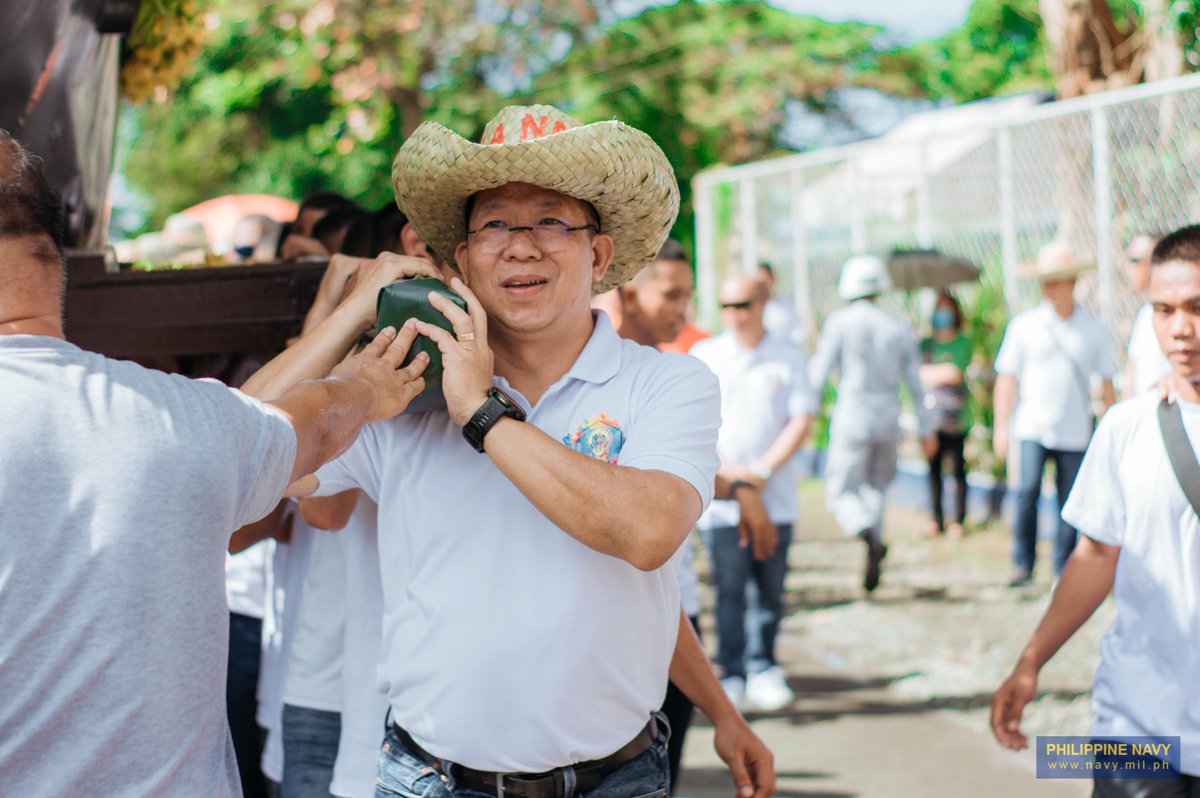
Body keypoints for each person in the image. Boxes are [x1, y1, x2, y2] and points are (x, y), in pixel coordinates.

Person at [243, 104, 775, 798]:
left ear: (599, 254)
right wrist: (351, 311)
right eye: (495, 225)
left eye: (551, 221)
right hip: (431, 779)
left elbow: (646, 540)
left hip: (616, 779)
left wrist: (482, 413)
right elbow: (239, 452)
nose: (522, 247)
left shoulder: (665, 383)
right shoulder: (405, 391)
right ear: (463, 259)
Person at [0, 130, 431, 795]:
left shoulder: (188, 420)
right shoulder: (176, 420)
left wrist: (349, 336)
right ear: (58, 259)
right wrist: (363, 379)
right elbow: (295, 426)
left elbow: (267, 422)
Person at [990, 224, 1200, 796]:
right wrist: (1030, 662)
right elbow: (1096, 554)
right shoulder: (1127, 428)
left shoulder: (1090, 330)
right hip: (1135, 730)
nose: (1180, 328)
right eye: (1163, 310)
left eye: (1197, 308)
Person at [615, 240, 775, 791]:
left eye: (687, 295)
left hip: (675, 609)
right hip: (620, 626)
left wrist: (740, 489)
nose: (682, 309)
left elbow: (688, 469)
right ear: (628, 292)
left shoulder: (676, 375)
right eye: (670, 294)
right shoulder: (586, 382)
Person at [691, 274, 816, 710]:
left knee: (769, 587)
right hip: (723, 496)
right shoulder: (706, 355)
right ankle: (731, 669)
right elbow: (695, 423)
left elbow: (801, 419)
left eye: (743, 305)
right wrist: (734, 476)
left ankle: (764, 664)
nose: (734, 315)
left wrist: (761, 471)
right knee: (728, 587)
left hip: (774, 495)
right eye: (727, 306)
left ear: (763, 304)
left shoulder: (788, 357)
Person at [993, 241, 1117, 587]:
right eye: (1044, 280)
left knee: (1070, 502)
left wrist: (1111, 431)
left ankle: (1063, 567)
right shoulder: (1025, 325)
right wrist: (1001, 426)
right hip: (1032, 426)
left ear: (1072, 282)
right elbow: (1007, 378)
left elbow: (1106, 383)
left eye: (1055, 279)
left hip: (1074, 430)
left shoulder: (1093, 328)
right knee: (1026, 492)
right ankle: (1023, 564)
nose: (1048, 287)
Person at [809, 254, 935, 592]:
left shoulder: (839, 322)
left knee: (841, 489)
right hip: (889, 416)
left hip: (853, 413)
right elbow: (916, 381)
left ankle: (865, 532)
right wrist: (926, 427)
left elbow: (818, 374)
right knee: (877, 487)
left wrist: (805, 413)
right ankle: (874, 541)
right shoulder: (897, 325)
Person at [919, 290, 973, 539]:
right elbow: (915, 371)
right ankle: (936, 518)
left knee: (957, 467)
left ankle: (958, 519)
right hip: (930, 417)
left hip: (956, 418)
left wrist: (929, 373)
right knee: (933, 468)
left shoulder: (963, 342)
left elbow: (954, 372)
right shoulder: (926, 344)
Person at [1123, 232, 1171, 398]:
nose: (1127, 268)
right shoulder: (1144, 314)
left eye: (1134, 260)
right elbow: (1131, 377)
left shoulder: (1175, 317)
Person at [757, 261, 806, 346]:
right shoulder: (752, 307)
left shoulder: (785, 304)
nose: (765, 283)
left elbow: (797, 329)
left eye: (767, 278)